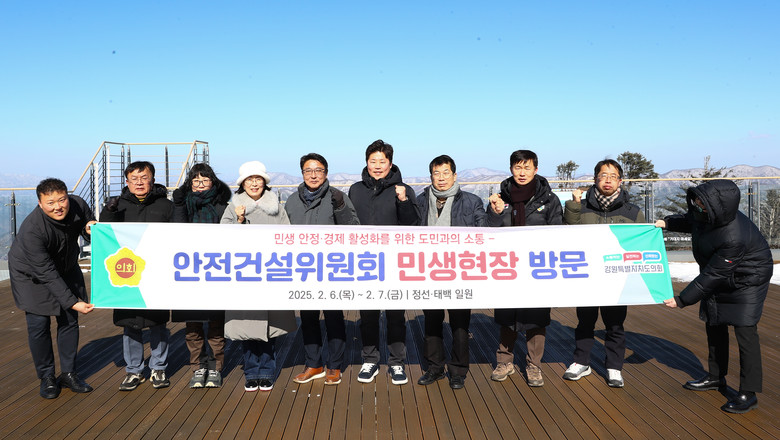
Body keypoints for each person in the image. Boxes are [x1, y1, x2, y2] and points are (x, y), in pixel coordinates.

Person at [656, 179, 772, 414]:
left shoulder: (734, 236)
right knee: (714, 322)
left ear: (717, 206)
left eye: (701, 201)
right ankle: (716, 376)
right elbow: (691, 220)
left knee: (745, 332)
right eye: (697, 199)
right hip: (723, 274)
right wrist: (666, 223)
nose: (697, 204)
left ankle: (748, 393)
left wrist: (683, 299)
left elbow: (713, 274)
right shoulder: (709, 214)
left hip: (748, 279)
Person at [9, 178, 96, 399]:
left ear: (67, 196)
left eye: (62, 200)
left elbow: (86, 226)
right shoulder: (32, 230)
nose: (58, 206)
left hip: (66, 266)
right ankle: (46, 377)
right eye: (50, 202)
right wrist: (73, 301)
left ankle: (69, 373)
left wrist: (89, 228)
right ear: (40, 203)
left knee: (69, 320)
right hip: (31, 275)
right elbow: (46, 272)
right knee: (39, 324)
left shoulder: (77, 204)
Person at [562, 159, 645, 388]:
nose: (608, 180)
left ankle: (614, 367)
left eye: (613, 176)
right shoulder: (581, 206)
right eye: (603, 175)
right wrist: (574, 206)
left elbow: (640, 245)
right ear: (595, 179)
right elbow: (567, 233)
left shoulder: (632, 212)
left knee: (615, 324)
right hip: (587, 275)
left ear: (620, 181)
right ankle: (581, 362)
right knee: (585, 322)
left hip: (617, 278)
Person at [415, 155, 493, 390]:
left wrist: (496, 213)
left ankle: (458, 370)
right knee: (432, 322)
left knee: (460, 324)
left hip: (459, 272)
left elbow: (484, 231)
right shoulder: (420, 201)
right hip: (429, 271)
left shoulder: (471, 201)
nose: (441, 178)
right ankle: (435, 367)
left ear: (454, 175)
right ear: (431, 176)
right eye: (436, 173)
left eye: (445, 173)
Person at [487, 149, 562, 387]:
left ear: (536, 170)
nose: (522, 172)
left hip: (538, 267)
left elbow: (559, 233)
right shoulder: (501, 197)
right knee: (507, 315)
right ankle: (504, 361)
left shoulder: (549, 199)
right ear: (511, 169)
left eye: (527, 167)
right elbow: (488, 232)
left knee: (536, 317)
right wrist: (495, 213)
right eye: (517, 167)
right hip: (507, 266)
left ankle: (534, 365)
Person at [221, 160, 297, 392]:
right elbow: (221, 237)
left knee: (268, 327)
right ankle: (252, 371)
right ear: (242, 184)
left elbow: (287, 236)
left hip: (270, 272)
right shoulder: (233, 207)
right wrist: (239, 221)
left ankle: (266, 371)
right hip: (243, 274)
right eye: (249, 180)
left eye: (258, 179)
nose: (254, 183)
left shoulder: (277, 207)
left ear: (265, 182)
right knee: (247, 325)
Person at [348, 139, 419, 385]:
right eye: (373, 161)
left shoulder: (403, 189)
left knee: (395, 315)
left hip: (394, 262)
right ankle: (370, 360)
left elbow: (413, 225)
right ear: (366, 162)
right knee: (367, 314)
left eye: (382, 161)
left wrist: (403, 201)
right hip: (365, 261)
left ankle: (397, 362)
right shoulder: (356, 189)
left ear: (390, 163)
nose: (377, 166)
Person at [286, 153, 360, 386]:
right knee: (307, 317)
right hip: (303, 269)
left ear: (326, 173)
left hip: (331, 269)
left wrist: (341, 207)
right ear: (302, 173)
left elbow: (354, 228)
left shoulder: (337, 196)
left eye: (318, 170)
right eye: (308, 170)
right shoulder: (292, 201)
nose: (313, 175)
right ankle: (314, 364)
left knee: (333, 316)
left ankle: (335, 366)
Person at [100, 161, 173, 391]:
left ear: (152, 180)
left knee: (158, 323)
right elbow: (103, 236)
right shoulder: (117, 206)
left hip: (157, 273)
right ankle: (134, 370)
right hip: (126, 272)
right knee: (130, 324)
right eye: (134, 178)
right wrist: (107, 213)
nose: (139, 182)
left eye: (144, 177)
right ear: (127, 182)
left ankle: (159, 367)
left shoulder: (166, 205)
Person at [171, 163, 232, 388]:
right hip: (188, 271)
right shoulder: (182, 203)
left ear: (212, 182)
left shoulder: (222, 205)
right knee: (193, 324)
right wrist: (179, 203)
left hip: (216, 270)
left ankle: (215, 367)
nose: (200, 185)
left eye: (204, 180)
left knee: (216, 323)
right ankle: (197, 367)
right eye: (195, 180)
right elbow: (176, 227)